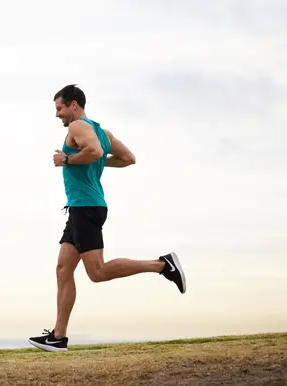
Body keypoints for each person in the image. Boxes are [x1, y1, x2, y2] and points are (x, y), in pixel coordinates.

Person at [27, 84, 186, 353]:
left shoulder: (77, 127)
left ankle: (162, 265)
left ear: (74, 105)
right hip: (81, 207)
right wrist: (88, 160)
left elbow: (97, 153)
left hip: (86, 207)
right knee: (63, 269)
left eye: (60, 108)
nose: (58, 115)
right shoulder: (103, 132)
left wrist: (67, 159)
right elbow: (127, 159)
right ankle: (58, 336)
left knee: (97, 272)